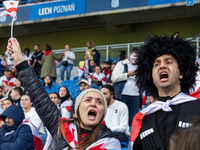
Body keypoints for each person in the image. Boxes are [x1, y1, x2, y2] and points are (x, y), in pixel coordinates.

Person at [7, 37, 121, 150]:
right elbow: (38, 94)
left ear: (103, 113)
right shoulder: (60, 128)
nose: (93, 104)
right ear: (76, 111)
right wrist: (18, 58)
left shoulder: (111, 142)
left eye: (100, 102)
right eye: (88, 100)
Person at [127, 35, 200, 150]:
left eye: (169, 62)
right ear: (151, 76)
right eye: (156, 64)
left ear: (181, 73)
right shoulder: (141, 118)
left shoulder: (198, 107)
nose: (162, 66)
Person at [111, 48, 140, 126]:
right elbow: (114, 78)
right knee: (119, 119)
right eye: (135, 56)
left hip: (135, 96)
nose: (136, 59)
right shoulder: (121, 64)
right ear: (130, 55)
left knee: (133, 120)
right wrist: (127, 74)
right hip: (122, 95)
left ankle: (130, 137)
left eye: (138, 58)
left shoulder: (140, 66)